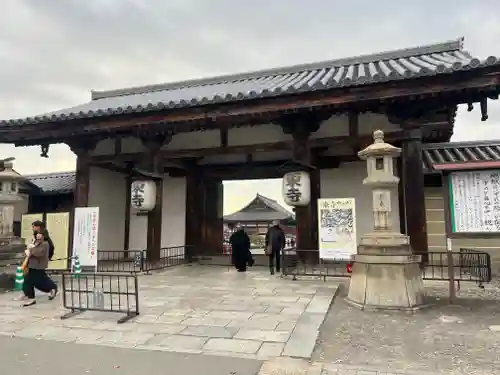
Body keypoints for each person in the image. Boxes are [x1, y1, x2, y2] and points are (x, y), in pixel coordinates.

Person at [22, 231, 58, 307]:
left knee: (36, 281)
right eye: (37, 234)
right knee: (32, 280)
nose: (38, 236)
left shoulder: (45, 243)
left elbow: (39, 253)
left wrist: (30, 250)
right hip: (32, 265)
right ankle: (31, 297)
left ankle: (51, 288)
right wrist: (30, 248)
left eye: (40, 234)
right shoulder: (35, 242)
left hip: (38, 265)